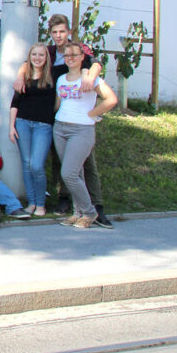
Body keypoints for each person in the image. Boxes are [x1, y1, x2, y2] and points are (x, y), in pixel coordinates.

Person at [12, 13, 108, 225]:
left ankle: (96, 206)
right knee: (61, 161)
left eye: (62, 31)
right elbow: (29, 62)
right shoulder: (51, 51)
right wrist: (20, 75)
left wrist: (91, 75)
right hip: (57, 115)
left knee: (85, 165)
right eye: (54, 32)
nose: (58, 35)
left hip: (80, 119)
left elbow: (96, 63)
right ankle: (67, 201)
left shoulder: (78, 49)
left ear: (69, 32)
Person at [54, 41, 117, 229]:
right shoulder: (61, 79)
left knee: (69, 174)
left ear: (83, 57)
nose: (70, 58)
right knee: (76, 173)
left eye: (74, 54)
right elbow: (59, 103)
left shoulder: (91, 79)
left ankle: (90, 212)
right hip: (60, 127)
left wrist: (92, 114)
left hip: (82, 129)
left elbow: (111, 99)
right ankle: (78, 212)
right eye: (67, 55)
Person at [9, 42, 56, 216]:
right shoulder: (24, 76)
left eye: (41, 55)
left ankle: (41, 203)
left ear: (46, 58)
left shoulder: (53, 76)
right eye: (34, 55)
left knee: (37, 165)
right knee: (26, 165)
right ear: (29, 57)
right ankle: (32, 202)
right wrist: (11, 126)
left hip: (43, 126)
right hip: (22, 123)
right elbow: (15, 103)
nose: (37, 58)